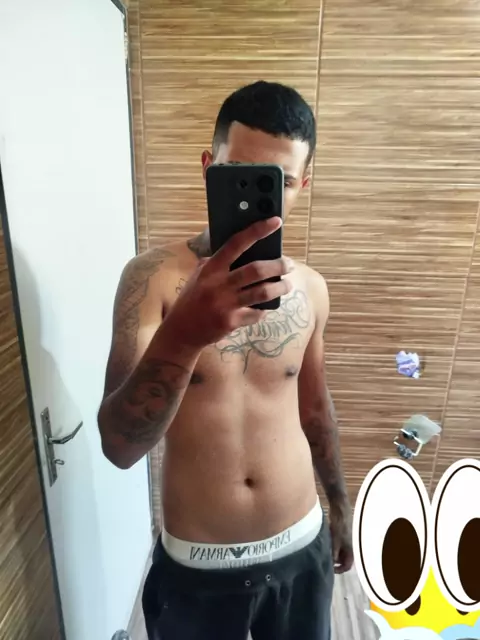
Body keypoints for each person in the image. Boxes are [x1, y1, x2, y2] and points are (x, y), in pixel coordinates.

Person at [98, 80, 353, 640]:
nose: (262, 196)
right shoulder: (152, 280)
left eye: (281, 182)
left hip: (300, 544)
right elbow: (119, 445)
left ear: (303, 184)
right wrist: (184, 335)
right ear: (208, 166)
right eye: (239, 173)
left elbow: (315, 410)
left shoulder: (311, 289)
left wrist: (340, 505)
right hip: (198, 569)